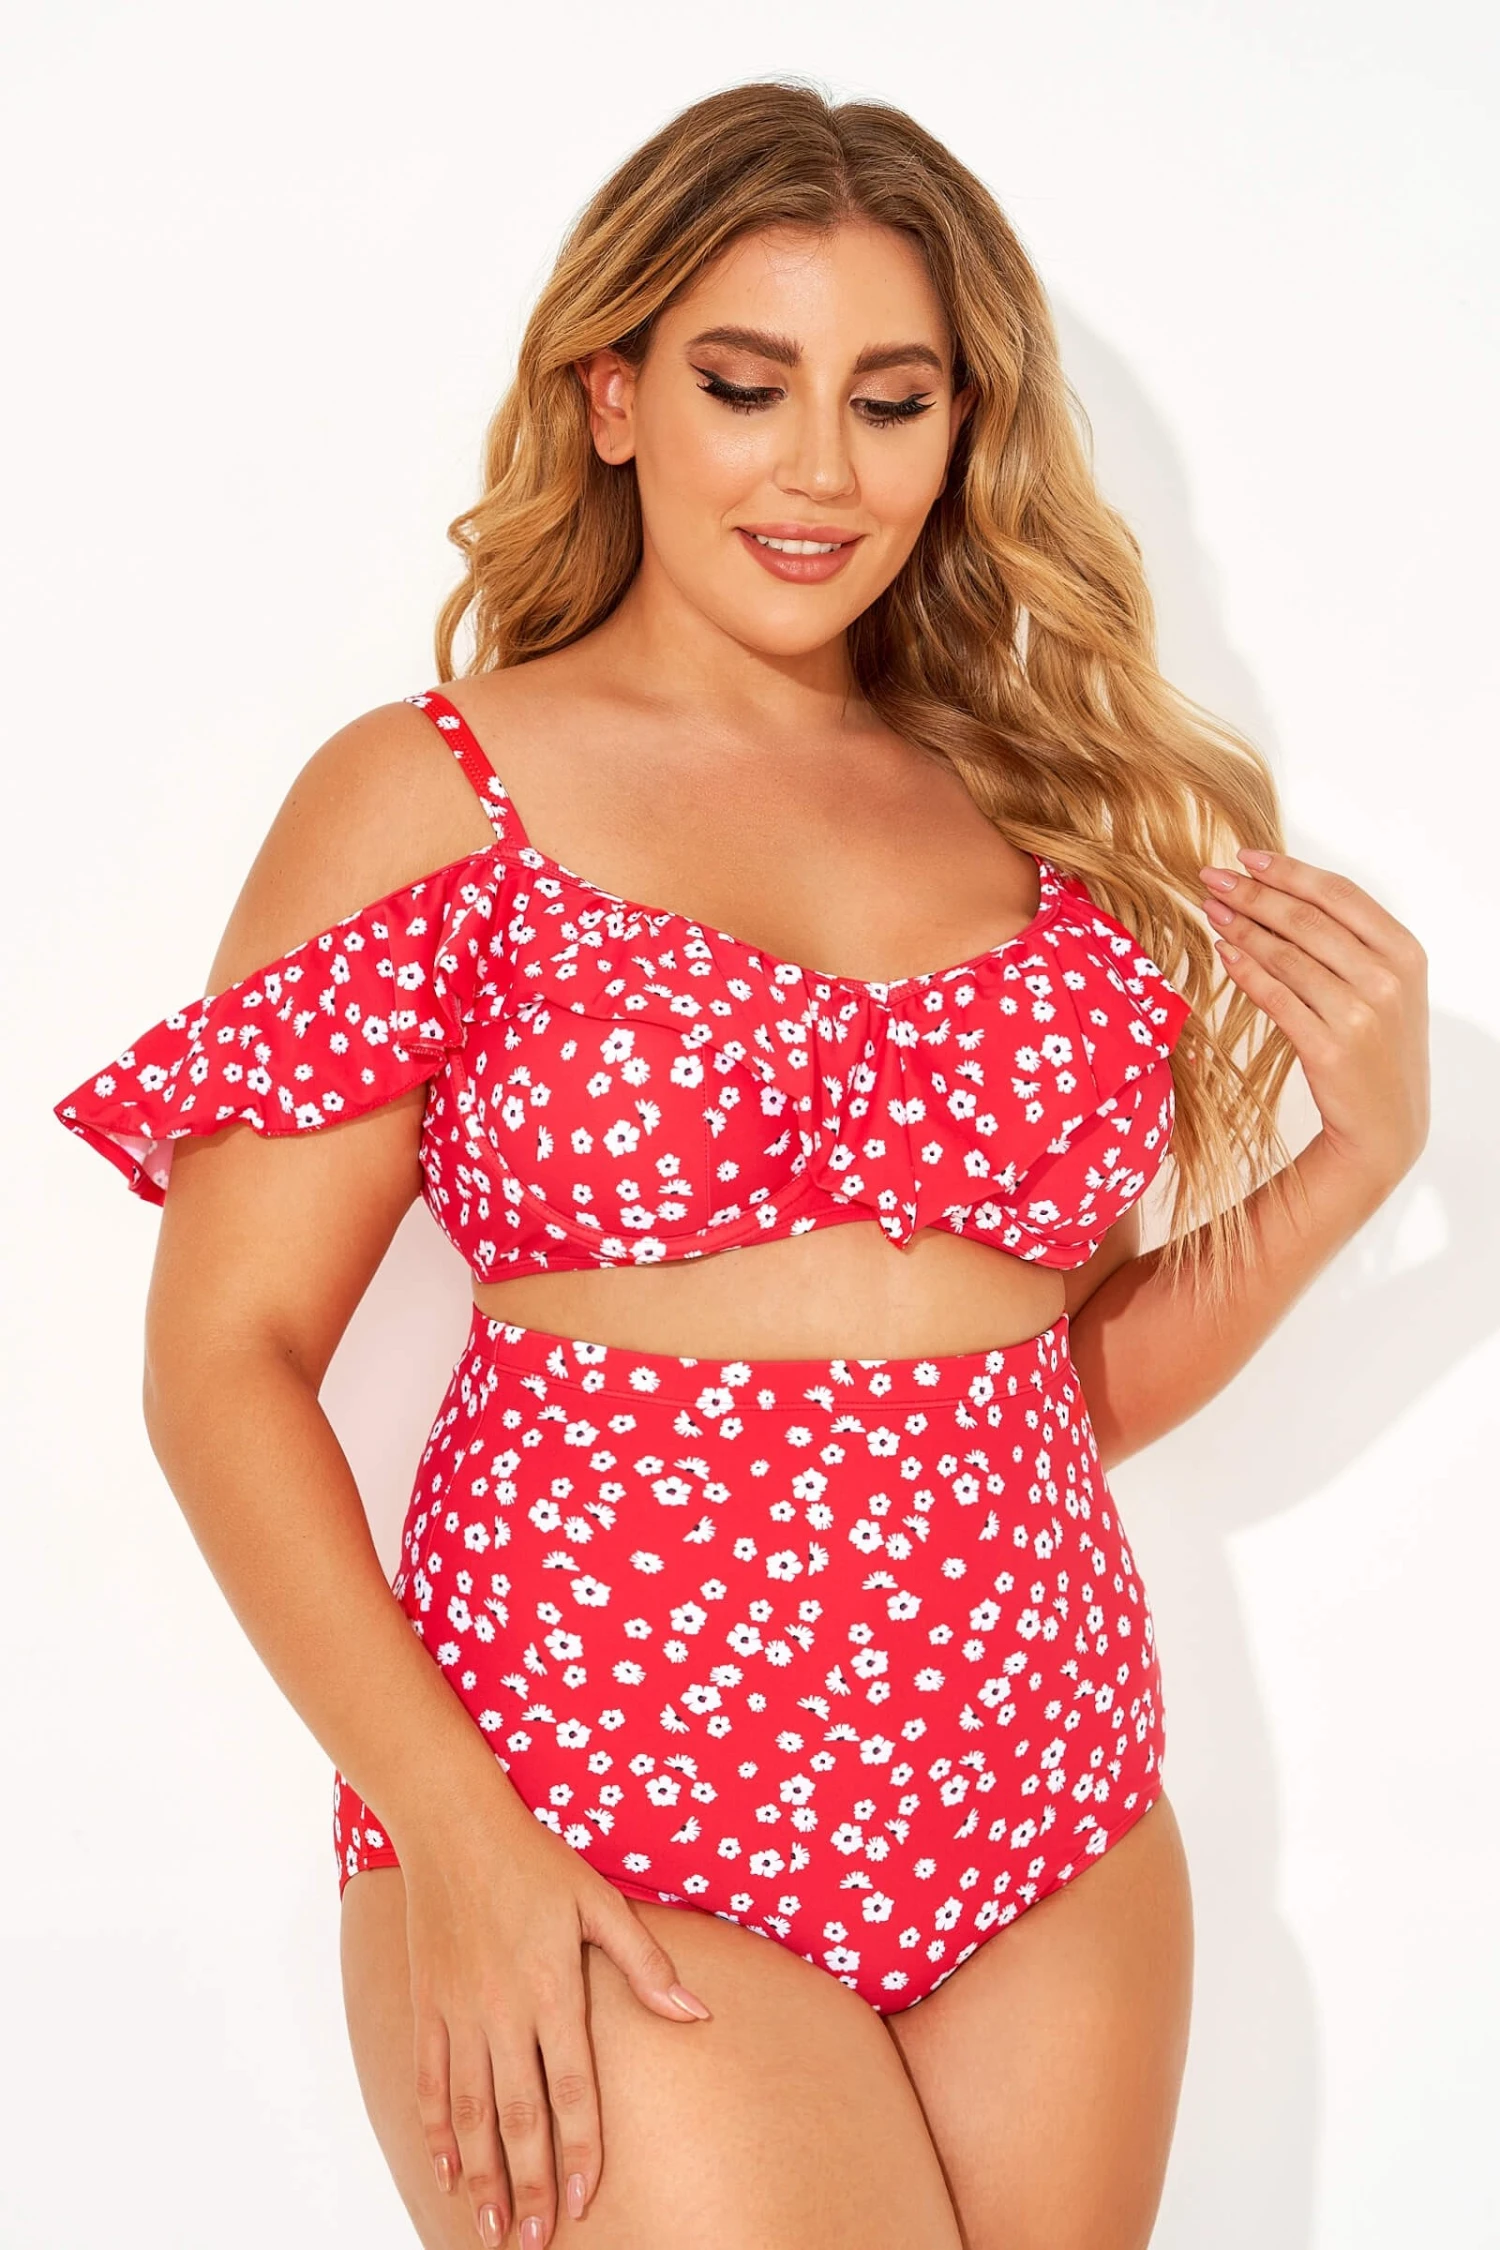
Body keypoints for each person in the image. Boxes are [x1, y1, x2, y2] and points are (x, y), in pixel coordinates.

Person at [53, 79, 1429, 2250]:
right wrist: (460, 1841)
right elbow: (219, 1360)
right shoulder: (437, 793)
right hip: (584, 1800)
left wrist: (1359, 1160)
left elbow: (1041, 1383)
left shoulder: (1042, 810)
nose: (819, 470)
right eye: (742, 383)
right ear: (611, 395)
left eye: (891, 400)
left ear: (964, 430)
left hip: (1038, 1789)